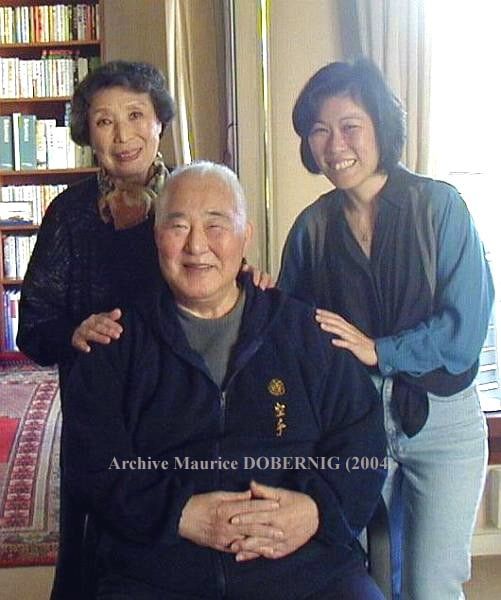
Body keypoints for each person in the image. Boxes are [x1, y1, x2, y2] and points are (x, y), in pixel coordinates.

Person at [62, 161, 387, 599]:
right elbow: (92, 466)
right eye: (178, 226)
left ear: (245, 236)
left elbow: (362, 443)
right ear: (156, 236)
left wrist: (315, 511)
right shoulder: (114, 344)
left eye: (216, 225)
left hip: (302, 567)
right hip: (157, 570)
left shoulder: (307, 334)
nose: (197, 246)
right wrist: (180, 514)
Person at [277, 58, 495, 600]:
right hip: (354, 424)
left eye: (350, 126)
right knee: (358, 576)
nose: (335, 145)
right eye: (319, 130)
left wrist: (380, 350)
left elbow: (464, 330)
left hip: (441, 421)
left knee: (430, 585)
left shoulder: (439, 206)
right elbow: (291, 332)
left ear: (380, 126)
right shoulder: (311, 228)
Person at [16, 60, 175, 599]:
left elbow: (224, 281)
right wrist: (74, 331)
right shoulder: (69, 214)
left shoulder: (192, 197)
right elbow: (33, 324)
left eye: (136, 115)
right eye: (105, 121)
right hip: (99, 413)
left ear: (159, 121)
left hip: (180, 407)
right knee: (96, 563)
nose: (123, 135)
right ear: (88, 134)